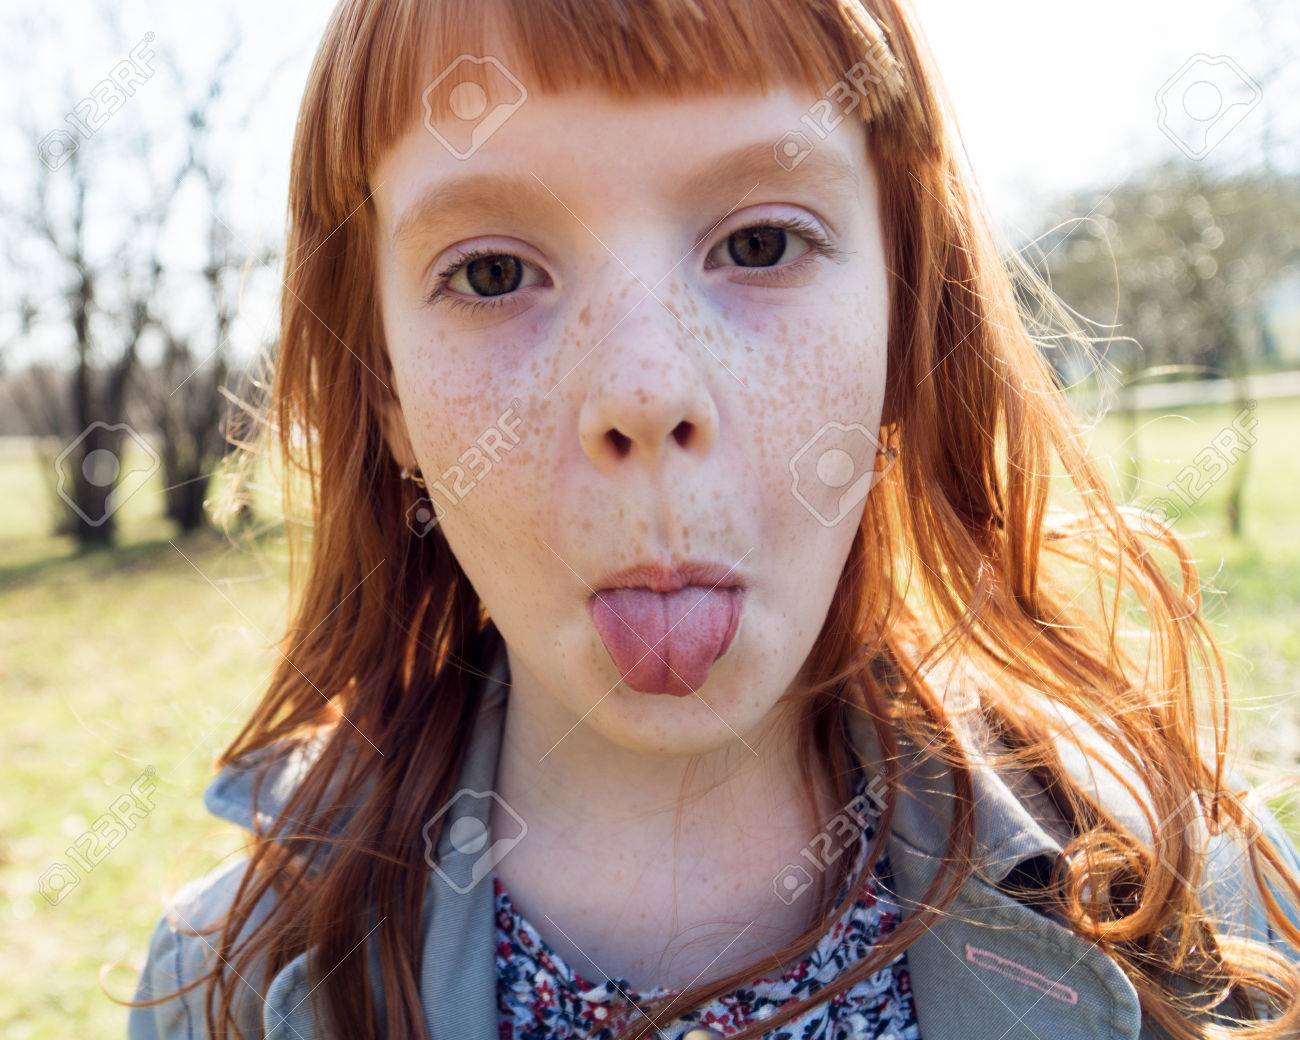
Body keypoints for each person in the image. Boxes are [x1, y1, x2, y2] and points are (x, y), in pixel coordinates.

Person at [127, 0, 1300, 1037]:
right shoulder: (220, 987)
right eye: (491, 273)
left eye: (759, 243)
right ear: (384, 386)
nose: (645, 391)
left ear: (903, 315)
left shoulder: (1197, 906)